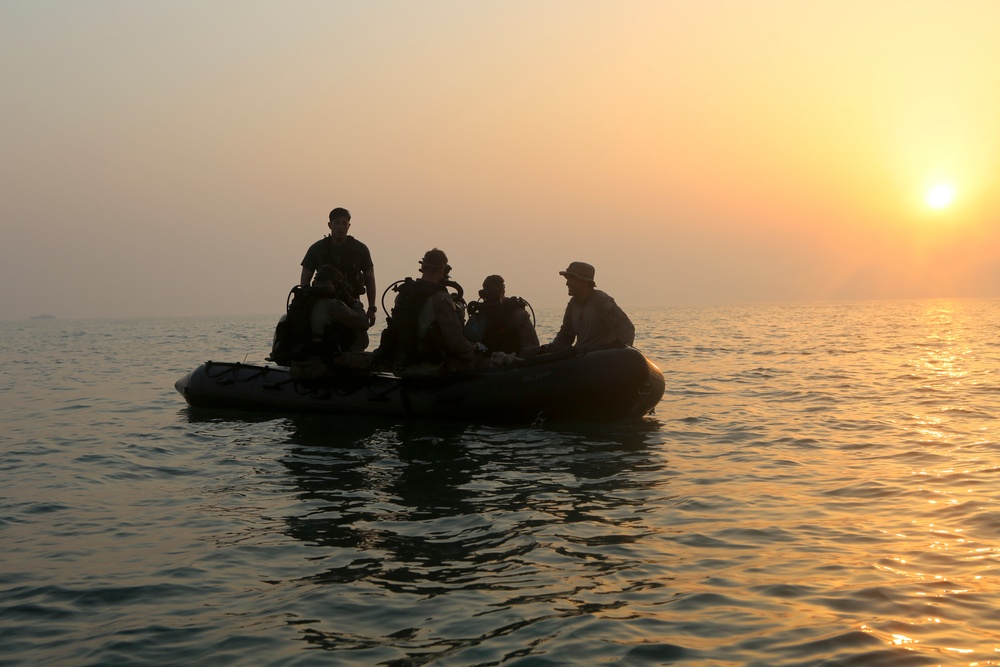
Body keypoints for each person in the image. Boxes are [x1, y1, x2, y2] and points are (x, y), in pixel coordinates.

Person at [376, 248, 486, 374]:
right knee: (482, 360)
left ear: (422, 268)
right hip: (430, 367)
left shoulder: (403, 294)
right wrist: (476, 346)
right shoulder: (440, 297)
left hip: (402, 365)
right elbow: (456, 344)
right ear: (441, 270)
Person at [288, 264, 372, 380]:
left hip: (298, 365)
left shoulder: (299, 304)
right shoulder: (331, 305)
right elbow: (363, 323)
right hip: (322, 365)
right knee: (377, 358)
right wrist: (355, 303)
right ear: (332, 284)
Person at [300, 207, 378, 328]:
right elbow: (305, 279)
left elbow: (370, 278)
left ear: (349, 225)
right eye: (337, 223)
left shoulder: (360, 249)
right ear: (330, 225)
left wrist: (372, 308)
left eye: (344, 223)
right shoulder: (317, 249)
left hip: (351, 302)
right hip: (323, 301)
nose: (341, 227)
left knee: (361, 330)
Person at [548, 261, 635, 351]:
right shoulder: (572, 305)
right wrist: (548, 349)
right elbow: (565, 336)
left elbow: (626, 326)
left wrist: (621, 349)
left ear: (584, 281)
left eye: (571, 279)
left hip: (603, 357)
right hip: (582, 357)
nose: (567, 283)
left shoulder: (601, 301)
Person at [465, 275, 539, 355]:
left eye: (492, 294)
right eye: (487, 295)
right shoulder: (482, 315)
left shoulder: (516, 314)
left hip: (514, 361)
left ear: (502, 292)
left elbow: (532, 348)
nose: (489, 298)